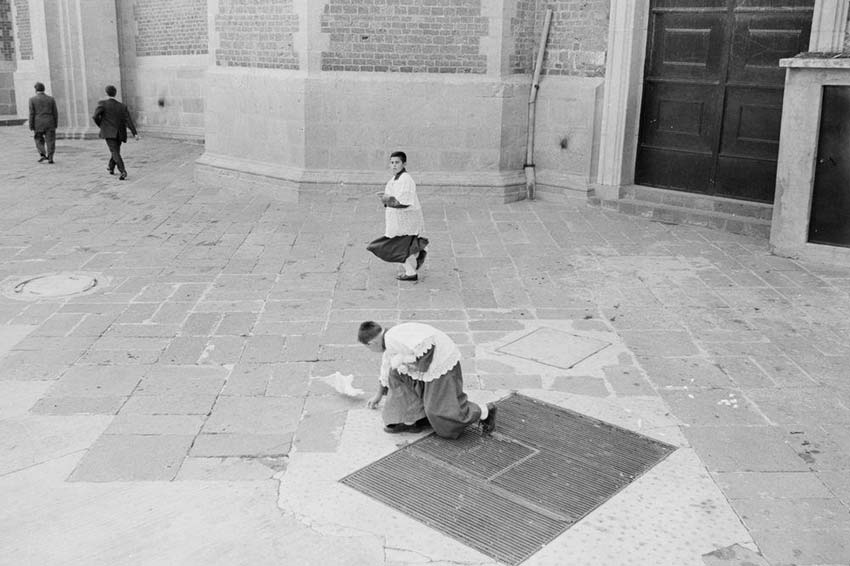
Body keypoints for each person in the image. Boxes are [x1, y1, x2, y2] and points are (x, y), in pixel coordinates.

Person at [358, 320, 496, 439]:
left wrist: (410, 363)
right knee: (395, 374)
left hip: (439, 365)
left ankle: (484, 411)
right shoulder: (388, 341)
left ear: (371, 343)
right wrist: (378, 395)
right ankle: (412, 419)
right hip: (423, 364)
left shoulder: (394, 339)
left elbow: (425, 356)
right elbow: (386, 367)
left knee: (440, 413)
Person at [366, 151, 428, 281]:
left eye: (397, 162)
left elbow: (404, 202)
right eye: (392, 162)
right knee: (400, 245)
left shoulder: (406, 179)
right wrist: (385, 199)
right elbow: (394, 197)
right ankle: (418, 253)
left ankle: (411, 272)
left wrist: (388, 200)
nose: (394, 165)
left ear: (404, 163)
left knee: (394, 247)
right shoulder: (395, 179)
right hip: (398, 221)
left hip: (405, 221)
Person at [92, 84, 138, 180]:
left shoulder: (103, 103)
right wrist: (135, 133)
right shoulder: (122, 106)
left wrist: (101, 125)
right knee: (115, 151)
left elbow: (95, 116)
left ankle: (123, 171)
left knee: (115, 152)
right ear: (115, 93)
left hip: (109, 132)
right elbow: (128, 120)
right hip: (120, 133)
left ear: (106, 93)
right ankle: (111, 167)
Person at [28, 82, 58, 164]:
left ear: (36, 90)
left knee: (38, 139)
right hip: (50, 122)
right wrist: (55, 123)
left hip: (38, 123)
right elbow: (55, 112)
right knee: (51, 140)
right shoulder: (51, 99)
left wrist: (31, 125)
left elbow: (31, 113)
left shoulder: (32, 99)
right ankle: (51, 157)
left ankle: (42, 154)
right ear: (43, 89)